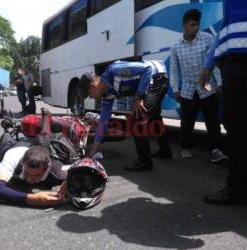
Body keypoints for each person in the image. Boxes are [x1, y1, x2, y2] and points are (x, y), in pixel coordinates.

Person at [79, 60, 172, 171]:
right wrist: (94, 149)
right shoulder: (107, 95)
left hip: (157, 78)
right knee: (153, 117)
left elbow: (147, 69)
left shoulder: (114, 71)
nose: (91, 98)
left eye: (89, 95)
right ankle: (165, 151)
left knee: (138, 117)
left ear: (93, 86)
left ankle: (144, 161)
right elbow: (103, 122)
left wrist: (139, 98)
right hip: (152, 81)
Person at [200, 0, 247, 205]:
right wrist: (208, 64)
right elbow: (224, 29)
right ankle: (237, 189)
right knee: (233, 127)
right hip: (232, 66)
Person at [170, 9, 227, 162]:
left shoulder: (207, 39)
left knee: (212, 118)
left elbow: (213, 65)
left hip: (207, 85)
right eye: (192, 24)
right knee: (187, 119)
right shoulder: (176, 46)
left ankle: (216, 149)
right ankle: (185, 147)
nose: (196, 27)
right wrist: (175, 89)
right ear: (184, 25)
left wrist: (220, 84)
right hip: (188, 88)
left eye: (197, 24)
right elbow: (174, 70)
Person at [0, 145, 68, 207]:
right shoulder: (13, 156)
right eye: (26, 173)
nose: (29, 179)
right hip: (14, 147)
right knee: (5, 145)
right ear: (22, 163)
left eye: (36, 175)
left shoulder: (57, 169)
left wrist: (68, 181)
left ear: (46, 168)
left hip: (42, 148)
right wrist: (32, 199)